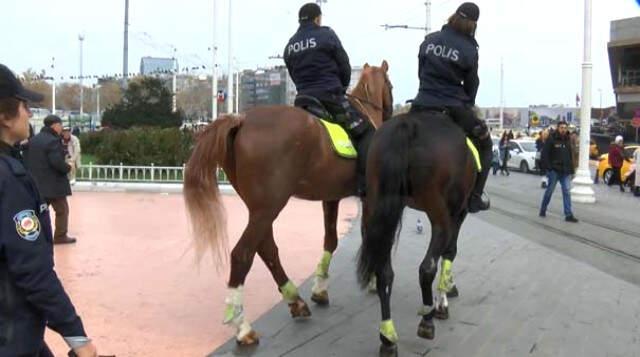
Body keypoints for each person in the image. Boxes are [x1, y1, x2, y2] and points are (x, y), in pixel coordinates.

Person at [0, 64, 97, 357]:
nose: (29, 113)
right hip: (12, 336)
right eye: (24, 106)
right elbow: (32, 270)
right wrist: (78, 337)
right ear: (4, 116)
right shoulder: (8, 180)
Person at [283, 2, 375, 196]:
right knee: (367, 132)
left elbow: (293, 73)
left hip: (303, 100)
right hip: (329, 96)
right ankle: (362, 183)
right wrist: (340, 88)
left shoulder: (290, 45)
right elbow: (344, 66)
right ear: (318, 18)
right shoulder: (326, 34)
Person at [410, 2, 492, 213]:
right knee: (485, 144)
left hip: (422, 103)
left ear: (453, 16)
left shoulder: (429, 40)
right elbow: (472, 83)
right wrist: (468, 104)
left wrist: (427, 92)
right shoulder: (469, 49)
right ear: (473, 24)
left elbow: (421, 72)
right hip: (453, 106)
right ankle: (475, 197)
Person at [24, 115, 76, 244]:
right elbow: (56, 162)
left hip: (36, 183)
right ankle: (60, 236)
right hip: (54, 184)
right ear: (54, 125)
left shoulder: (33, 140)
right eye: (60, 125)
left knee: (38, 211)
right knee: (62, 210)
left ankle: (34, 236)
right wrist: (68, 167)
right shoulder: (53, 141)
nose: (61, 128)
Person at [539, 121, 578, 222]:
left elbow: (570, 155)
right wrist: (549, 168)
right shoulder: (552, 138)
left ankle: (568, 214)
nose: (563, 129)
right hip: (554, 171)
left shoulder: (568, 139)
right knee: (549, 191)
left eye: (565, 127)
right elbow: (545, 154)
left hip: (565, 171)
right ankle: (543, 209)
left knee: (567, 192)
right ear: (558, 128)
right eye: (561, 127)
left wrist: (572, 170)